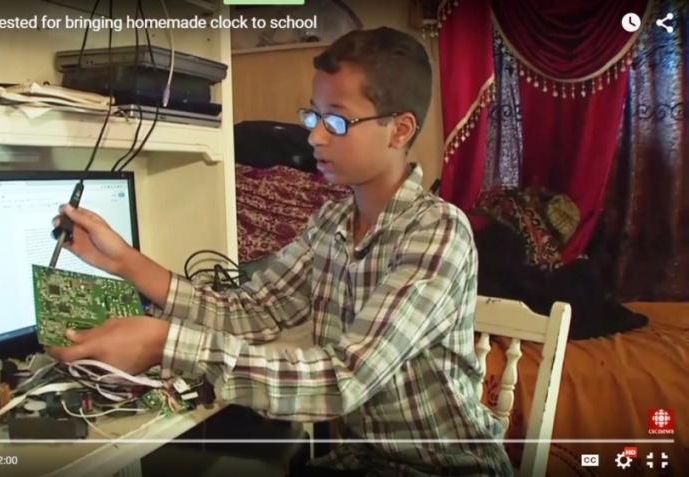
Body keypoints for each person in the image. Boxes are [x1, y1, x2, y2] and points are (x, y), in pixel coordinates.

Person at [48, 27, 513, 477]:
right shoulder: (331, 224)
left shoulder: (437, 232)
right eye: (312, 117)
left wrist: (162, 342)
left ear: (399, 129)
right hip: (361, 463)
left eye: (336, 121)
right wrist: (123, 261)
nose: (314, 137)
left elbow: (343, 379)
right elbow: (249, 311)